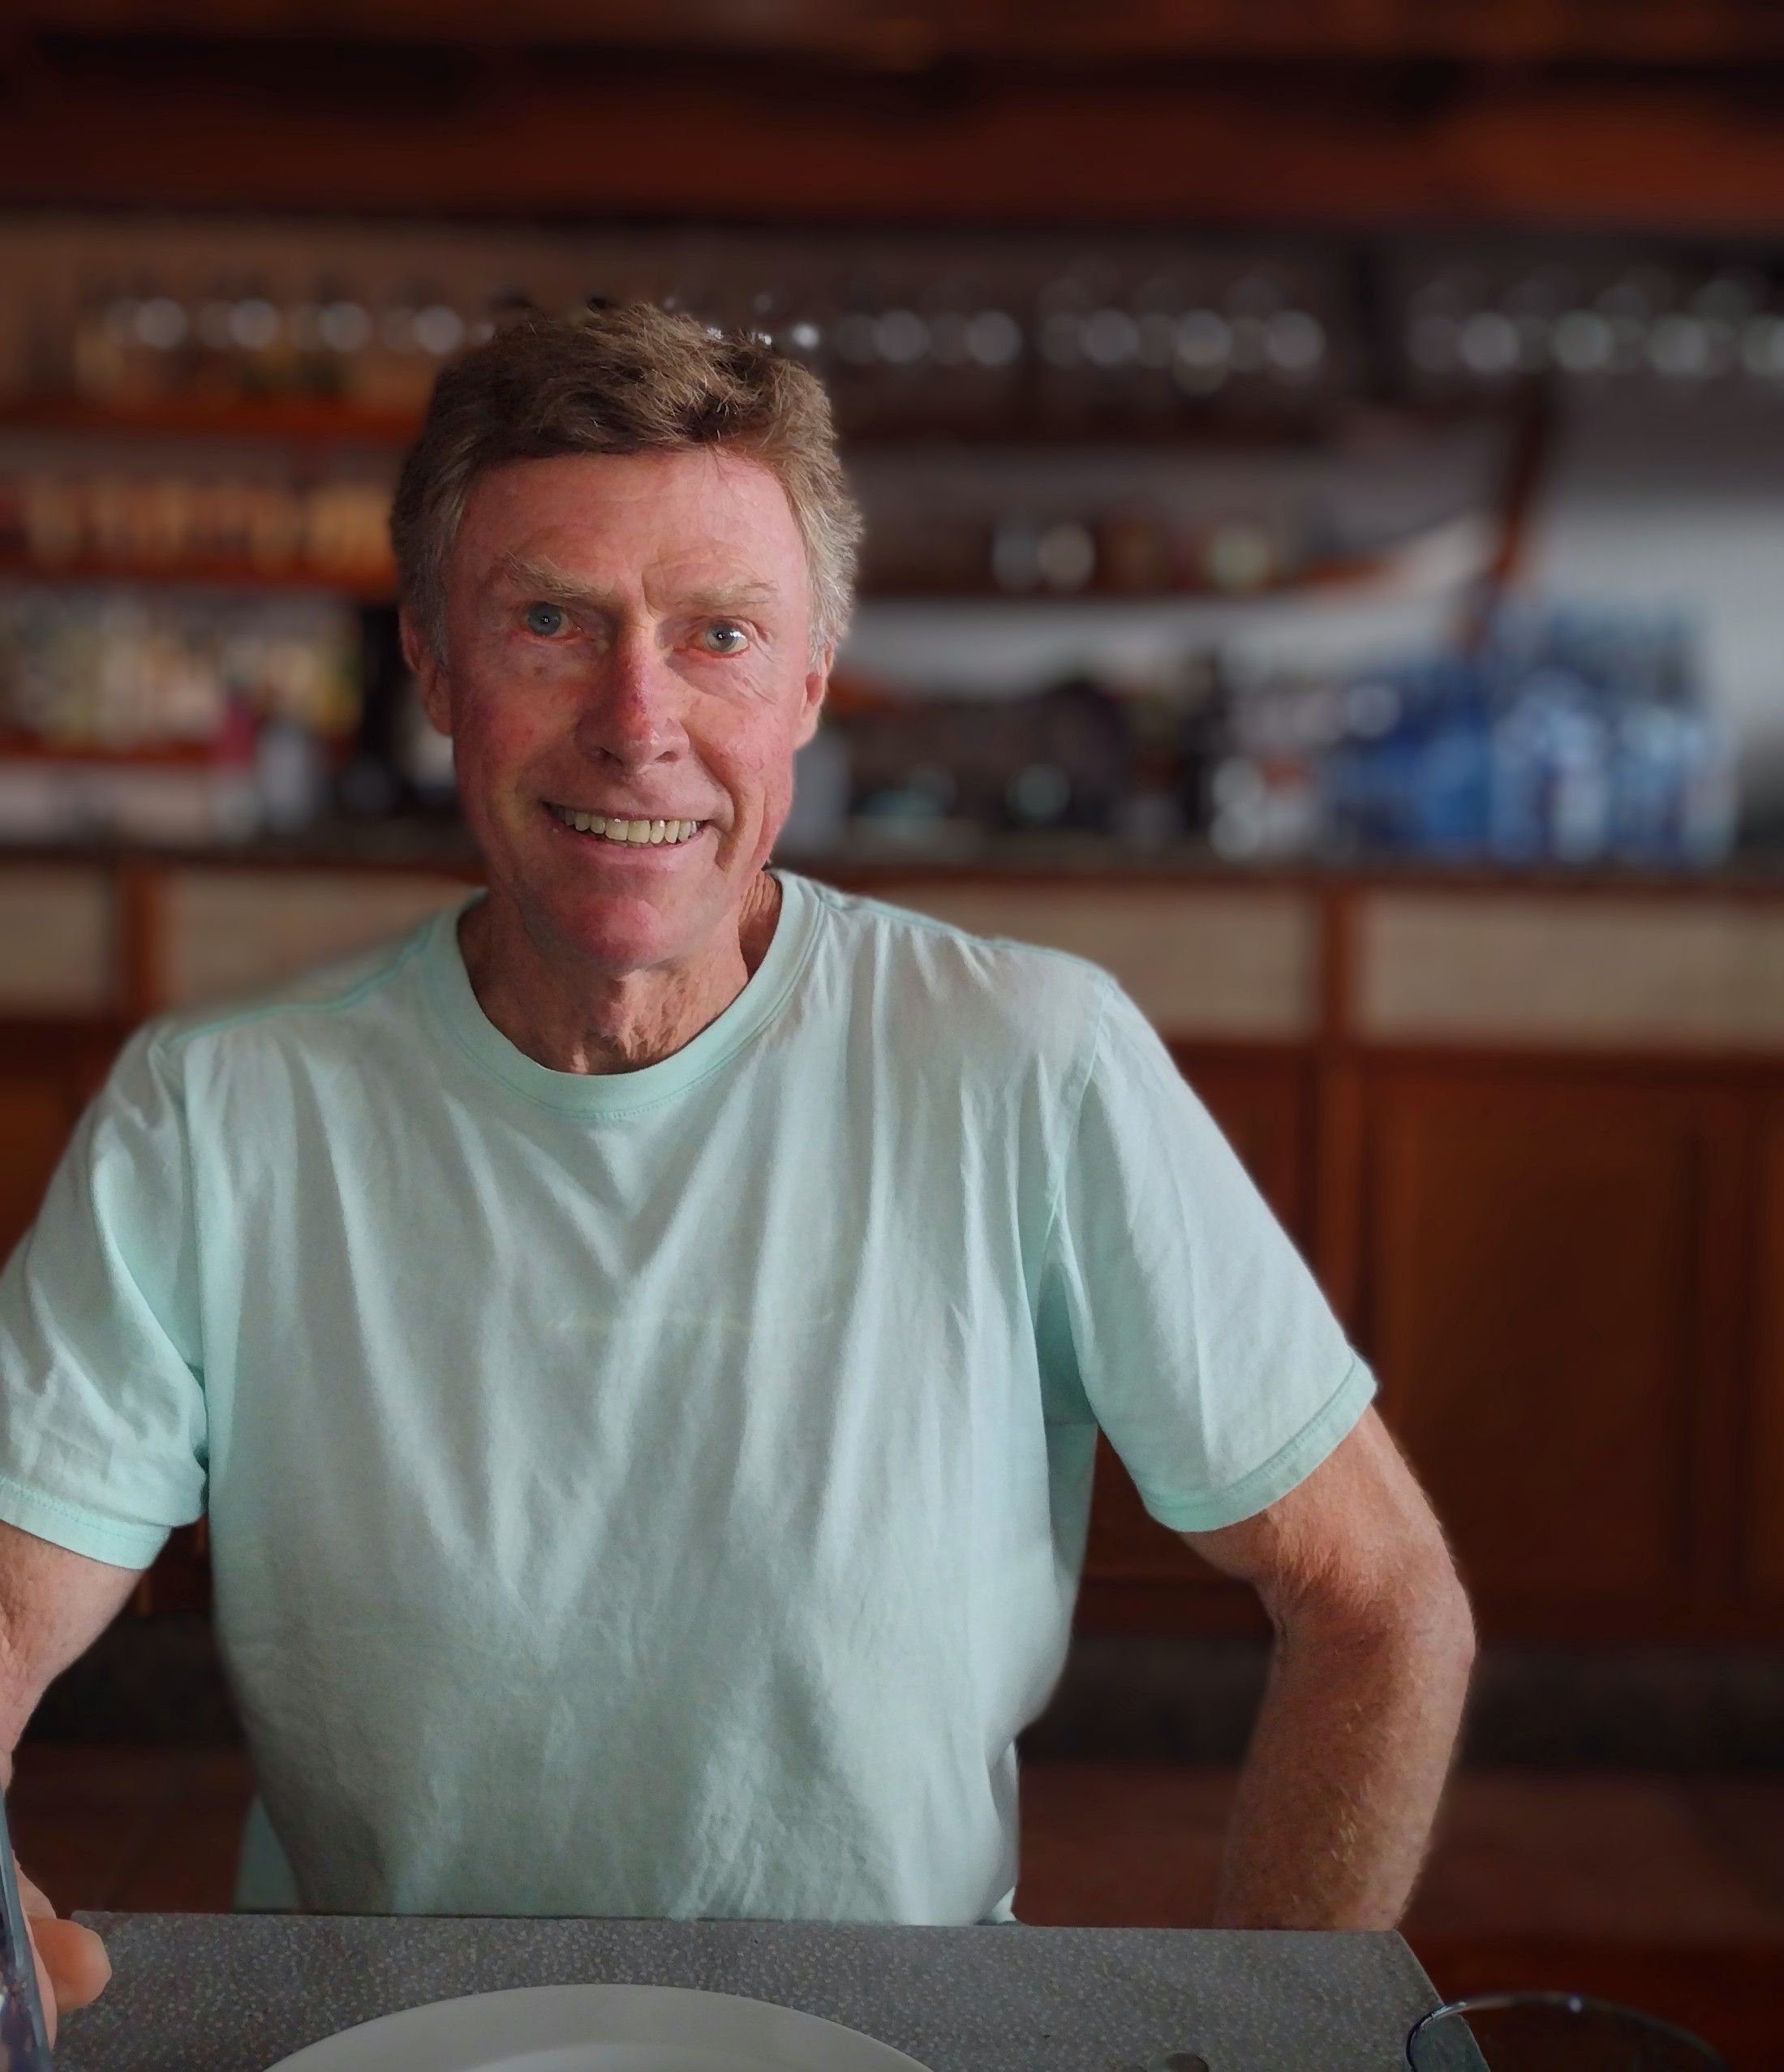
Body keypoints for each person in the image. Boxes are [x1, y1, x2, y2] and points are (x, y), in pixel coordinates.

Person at [0, 305, 1473, 2035]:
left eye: (717, 634)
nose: (640, 721)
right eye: (549, 620)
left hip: (893, 2034)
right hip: (374, 2028)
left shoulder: (1028, 1060)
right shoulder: (219, 1113)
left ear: (808, 681)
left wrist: (1278, 2030)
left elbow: (1377, 1598)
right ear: (429, 659)